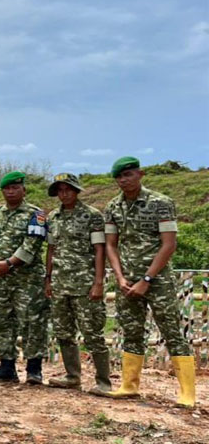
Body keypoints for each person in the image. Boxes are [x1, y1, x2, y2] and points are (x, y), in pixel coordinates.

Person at [104, 157, 196, 407]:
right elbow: (111, 245)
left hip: (158, 280)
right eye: (119, 177)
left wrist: (147, 278)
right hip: (126, 280)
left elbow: (169, 245)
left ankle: (187, 393)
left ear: (140, 174)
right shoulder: (113, 206)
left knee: (172, 331)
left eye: (128, 175)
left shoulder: (160, 203)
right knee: (131, 331)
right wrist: (120, 277)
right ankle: (129, 386)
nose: (123, 180)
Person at [0, 171, 49, 384]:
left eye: (15, 188)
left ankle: (34, 369)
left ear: (24, 190)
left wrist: (9, 263)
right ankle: (6, 366)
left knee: (32, 321)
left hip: (27, 280)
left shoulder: (36, 215)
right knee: (0, 321)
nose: (11, 192)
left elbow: (32, 244)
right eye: (7, 188)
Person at [44, 173, 111, 395]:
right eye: (60, 190)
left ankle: (103, 381)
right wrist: (48, 278)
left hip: (85, 283)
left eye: (68, 190)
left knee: (93, 333)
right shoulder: (53, 217)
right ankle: (73, 376)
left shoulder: (92, 216)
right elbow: (51, 250)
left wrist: (98, 282)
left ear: (77, 191)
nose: (64, 194)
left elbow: (99, 250)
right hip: (60, 283)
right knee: (64, 332)